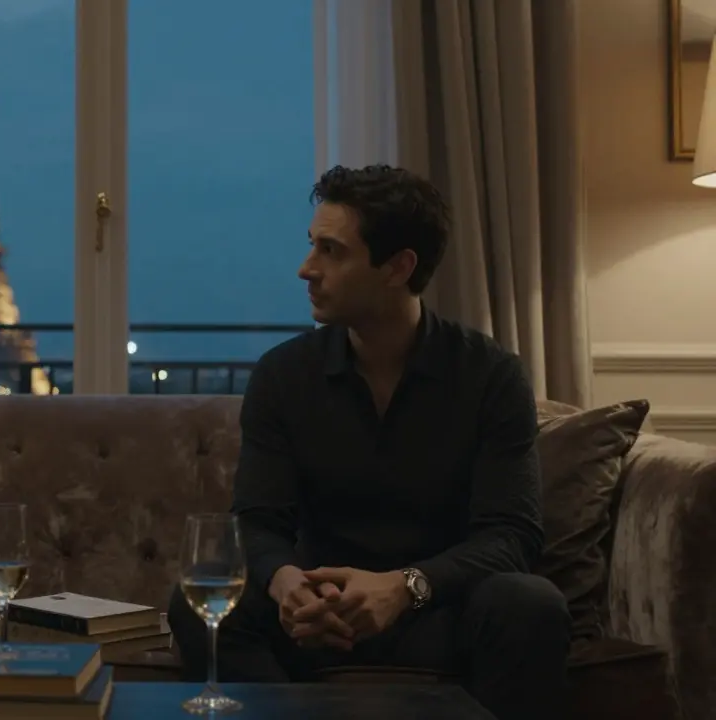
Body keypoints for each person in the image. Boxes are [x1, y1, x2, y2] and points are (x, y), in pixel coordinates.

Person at [168, 165, 571, 720]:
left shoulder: (490, 375)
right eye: (312, 245)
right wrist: (288, 587)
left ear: (397, 267)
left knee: (531, 604)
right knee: (198, 605)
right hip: (316, 619)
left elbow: (511, 536)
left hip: (438, 611)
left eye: (332, 251)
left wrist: (405, 587)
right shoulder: (283, 375)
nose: (306, 269)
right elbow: (258, 521)